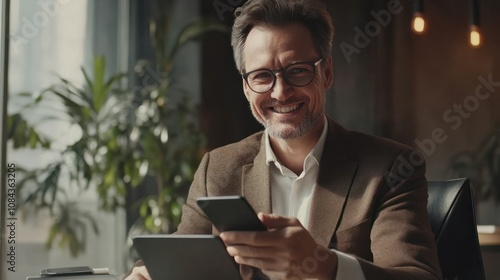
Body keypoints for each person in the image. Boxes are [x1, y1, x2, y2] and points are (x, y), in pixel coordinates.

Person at [125, 0, 442, 279]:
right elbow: (182, 257)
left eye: (298, 70)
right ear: (247, 88)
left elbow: (418, 276)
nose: (280, 92)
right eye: (262, 76)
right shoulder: (217, 168)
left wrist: (323, 266)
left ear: (327, 72)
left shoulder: (391, 168)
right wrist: (147, 273)